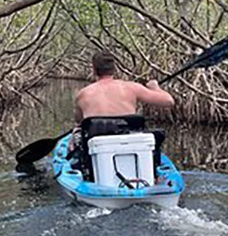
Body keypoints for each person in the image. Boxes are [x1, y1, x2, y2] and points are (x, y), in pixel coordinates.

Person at [69, 50, 174, 180]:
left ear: (93, 69)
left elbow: (79, 121)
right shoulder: (132, 88)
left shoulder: (83, 94)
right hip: (130, 141)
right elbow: (168, 101)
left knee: (76, 138)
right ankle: (154, 177)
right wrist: (154, 87)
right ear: (115, 69)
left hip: (97, 144)